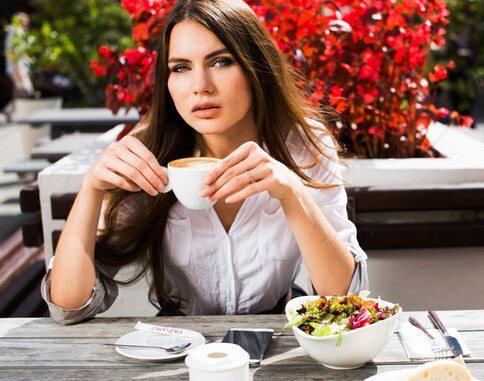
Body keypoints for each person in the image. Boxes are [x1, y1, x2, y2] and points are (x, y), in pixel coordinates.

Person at [42, 0, 368, 324]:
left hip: (276, 337)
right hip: (178, 345)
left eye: (221, 61)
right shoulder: (149, 155)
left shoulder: (304, 146)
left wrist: (292, 193)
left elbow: (345, 298)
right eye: (181, 67)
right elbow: (69, 306)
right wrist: (91, 188)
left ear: (256, 65)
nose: (200, 86)